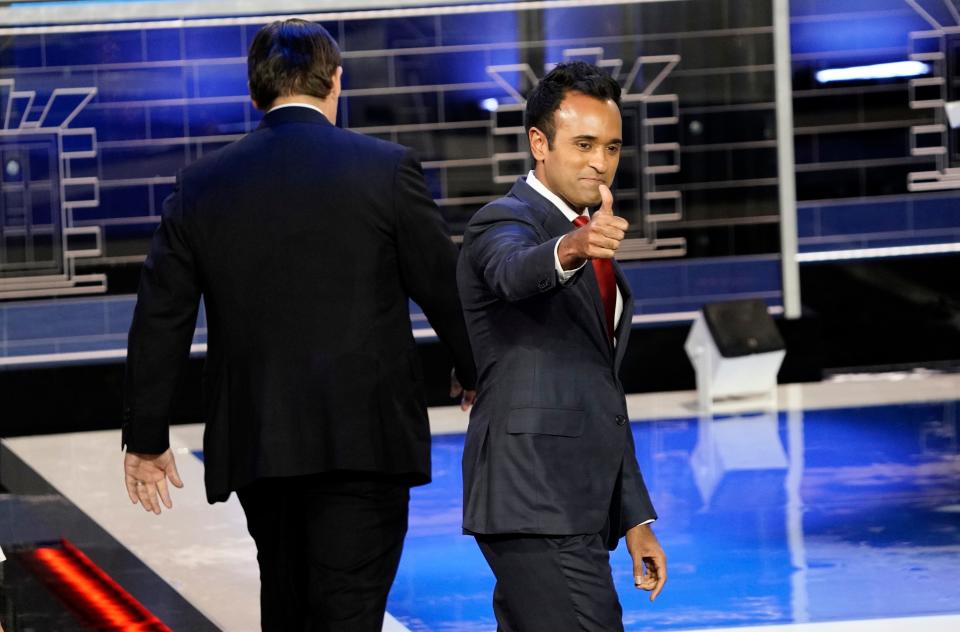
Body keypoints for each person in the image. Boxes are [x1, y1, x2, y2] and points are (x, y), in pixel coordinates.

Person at [121, 18, 476, 632]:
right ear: (336, 82)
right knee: (348, 609)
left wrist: (146, 437)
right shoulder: (387, 170)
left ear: (254, 93)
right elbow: (446, 291)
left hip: (261, 443)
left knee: (286, 604)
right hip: (366, 443)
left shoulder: (202, 186)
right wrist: (475, 371)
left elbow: (161, 317)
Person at [457, 61, 667, 631]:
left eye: (613, 147)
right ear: (539, 143)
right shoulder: (502, 221)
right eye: (584, 144)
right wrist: (573, 246)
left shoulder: (586, 229)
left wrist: (633, 519)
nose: (601, 162)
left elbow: (599, 392)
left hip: (573, 504)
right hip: (531, 497)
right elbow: (512, 271)